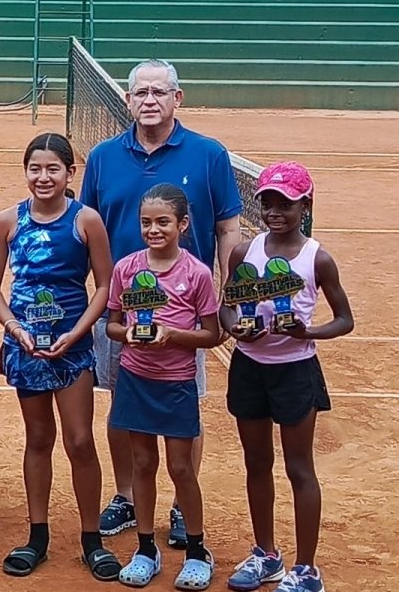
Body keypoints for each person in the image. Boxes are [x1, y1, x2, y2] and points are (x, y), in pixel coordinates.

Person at [80, 59, 243, 546]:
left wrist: (232, 293)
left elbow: (229, 228)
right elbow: (86, 224)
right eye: (140, 93)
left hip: (186, 313)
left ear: (178, 98)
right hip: (119, 308)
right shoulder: (104, 156)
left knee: (183, 406)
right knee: (119, 403)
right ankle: (128, 496)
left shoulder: (209, 154)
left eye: (159, 91)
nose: (149, 100)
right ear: (127, 100)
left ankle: (179, 505)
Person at [0, 134, 120, 581]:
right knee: (38, 438)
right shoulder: (8, 221)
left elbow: (104, 285)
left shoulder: (87, 221)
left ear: (69, 174)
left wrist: (78, 333)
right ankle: (37, 535)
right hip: (26, 346)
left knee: (79, 440)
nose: (44, 177)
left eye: (53, 169)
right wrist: (14, 328)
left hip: (71, 346)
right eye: (35, 169)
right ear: (26, 173)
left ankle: (91, 539)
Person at [222, 163, 351, 592]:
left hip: (295, 370)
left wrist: (307, 331)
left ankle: (307, 568)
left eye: (286, 204)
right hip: (248, 368)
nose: (275, 212)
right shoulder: (244, 252)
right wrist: (235, 327)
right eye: (268, 203)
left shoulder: (318, 258)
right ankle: (266, 555)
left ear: (305, 206)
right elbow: (227, 306)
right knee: (257, 463)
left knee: (300, 469)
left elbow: (344, 320)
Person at [104, 183, 222, 589]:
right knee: (142, 464)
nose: (153, 230)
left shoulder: (197, 273)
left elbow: (212, 334)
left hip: (176, 384)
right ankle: (145, 550)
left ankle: (196, 550)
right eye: (146, 223)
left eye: (163, 222)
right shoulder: (127, 268)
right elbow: (114, 324)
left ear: (183, 224)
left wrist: (172, 335)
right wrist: (128, 336)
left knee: (180, 467)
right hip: (135, 379)